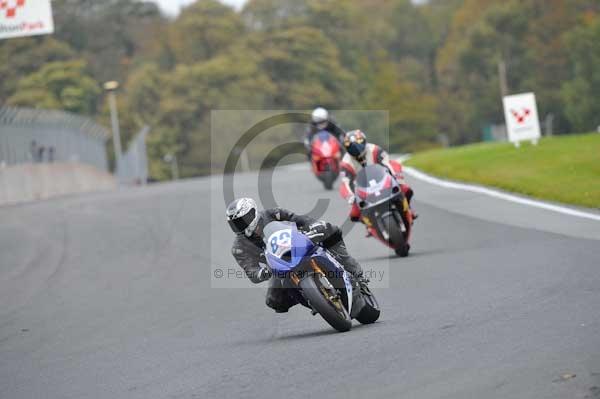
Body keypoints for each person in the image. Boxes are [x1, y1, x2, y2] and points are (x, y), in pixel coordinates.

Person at [226, 197, 367, 313]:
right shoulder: (238, 248)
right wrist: (262, 273)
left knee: (331, 230)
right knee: (273, 300)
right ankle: (313, 299)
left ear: (253, 213)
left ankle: (356, 274)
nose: (240, 226)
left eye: (242, 220)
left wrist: (313, 226)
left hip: (298, 244)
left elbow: (299, 219)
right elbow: (251, 271)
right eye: (235, 224)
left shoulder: (273, 214)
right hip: (277, 265)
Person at [339, 129, 416, 224]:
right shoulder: (345, 163)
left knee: (406, 189)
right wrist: (350, 197)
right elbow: (344, 183)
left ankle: (408, 209)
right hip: (363, 190)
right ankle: (370, 225)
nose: (356, 149)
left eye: (358, 144)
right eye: (351, 146)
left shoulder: (375, 149)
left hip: (383, 180)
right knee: (354, 215)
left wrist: (397, 177)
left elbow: (389, 163)